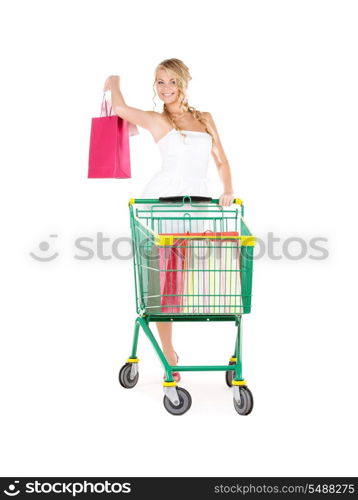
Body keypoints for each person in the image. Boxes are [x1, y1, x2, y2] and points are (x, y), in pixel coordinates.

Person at [103, 58, 235, 382]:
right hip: (164, 205)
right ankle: (169, 353)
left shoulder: (204, 118)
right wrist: (113, 77)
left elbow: (221, 159)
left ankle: (170, 351)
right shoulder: (156, 120)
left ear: (183, 83)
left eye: (171, 82)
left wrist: (228, 188)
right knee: (166, 284)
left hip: (198, 206)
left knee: (182, 281)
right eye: (159, 82)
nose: (165, 89)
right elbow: (119, 108)